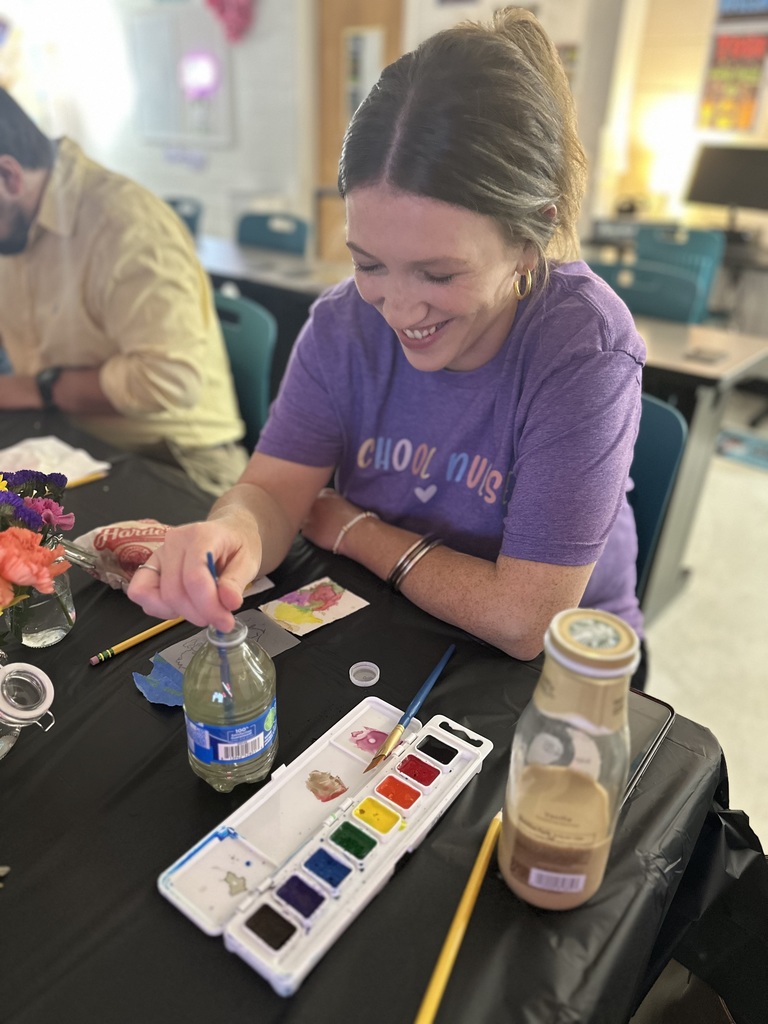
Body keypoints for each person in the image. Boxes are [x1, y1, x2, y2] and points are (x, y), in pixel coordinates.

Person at [128, 9, 647, 674]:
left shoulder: (583, 350)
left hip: (563, 670)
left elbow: (524, 621)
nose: (398, 309)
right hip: (398, 618)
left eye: (438, 273)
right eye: (368, 262)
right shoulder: (343, 322)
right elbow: (273, 492)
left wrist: (352, 529)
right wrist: (232, 529)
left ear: (529, 239)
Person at [0, 88, 248, 496]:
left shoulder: (124, 225)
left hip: (177, 461)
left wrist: (38, 388)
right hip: (68, 438)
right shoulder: (16, 225)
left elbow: (169, 379)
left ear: (9, 176)